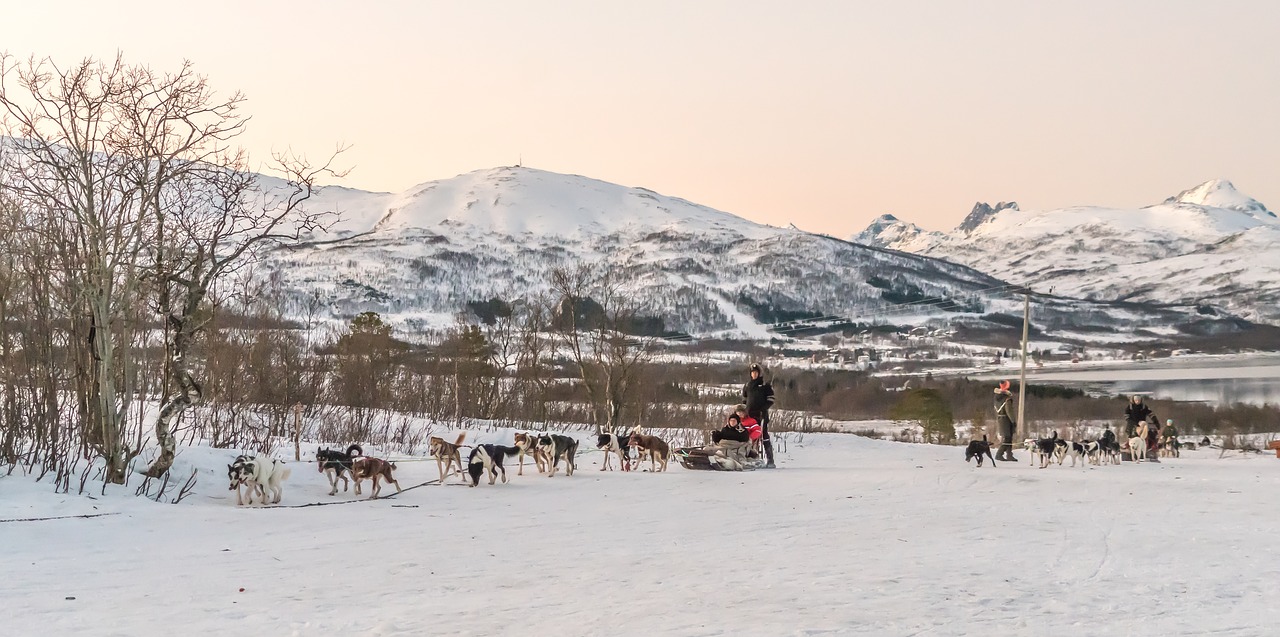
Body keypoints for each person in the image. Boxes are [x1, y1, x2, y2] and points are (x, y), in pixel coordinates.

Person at [742, 363, 776, 468]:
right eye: (752, 373)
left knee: (763, 435)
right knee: (747, 436)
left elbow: (771, 400)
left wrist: (763, 409)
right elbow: (744, 399)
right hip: (749, 415)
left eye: (756, 372)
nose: (754, 374)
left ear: (759, 373)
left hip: (761, 415)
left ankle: (770, 460)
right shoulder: (747, 385)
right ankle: (749, 456)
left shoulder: (765, 385)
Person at [994, 380, 1018, 462]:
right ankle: (999, 454)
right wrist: (1013, 421)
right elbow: (1009, 411)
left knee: (1007, 437)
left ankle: (1009, 455)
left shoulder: (996, 398)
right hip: (1006, 420)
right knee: (1007, 438)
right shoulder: (1007, 399)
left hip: (1000, 418)